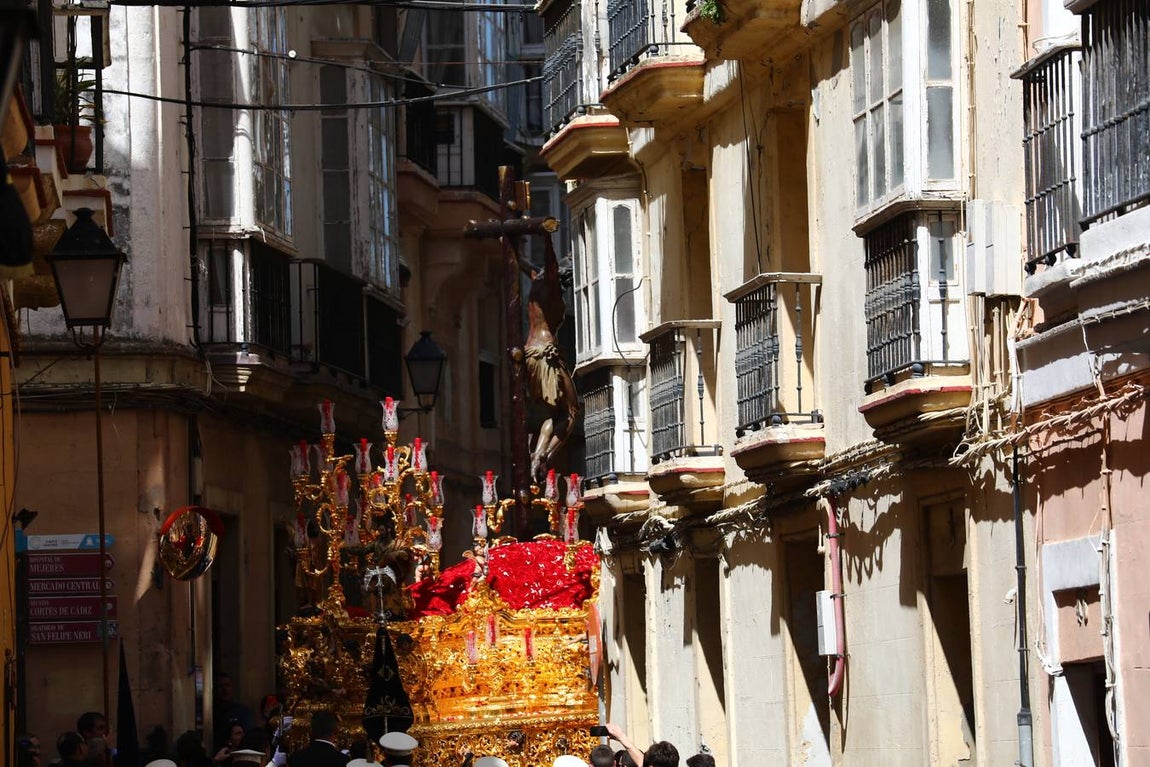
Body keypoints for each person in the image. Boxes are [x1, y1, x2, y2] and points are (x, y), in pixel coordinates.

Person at [519, 236, 579, 482]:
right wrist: (546, 237)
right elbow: (550, 261)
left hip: (529, 355)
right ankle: (544, 456)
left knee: (552, 415)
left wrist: (510, 245)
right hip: (545, 355)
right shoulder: (551, 286)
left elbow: (524, 263)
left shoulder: (535, 282)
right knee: (571, 411)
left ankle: (538, 453)